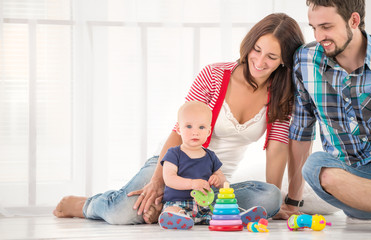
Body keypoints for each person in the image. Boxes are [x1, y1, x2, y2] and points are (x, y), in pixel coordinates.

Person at [53, 13, 305, 224]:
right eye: (257, 50)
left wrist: (276, 205)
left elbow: (277, 148)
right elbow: (178, 130)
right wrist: (158, 180)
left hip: (214, 184)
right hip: (174, 163)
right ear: (249, 43)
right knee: (123, 213)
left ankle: (177, 207)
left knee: (269, 196)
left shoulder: (283, 95)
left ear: (285, 60)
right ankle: (83, 204)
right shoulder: (215, 76)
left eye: (271, 57)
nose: (259, 61)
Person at [287, 0, 371, 221]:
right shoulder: (305, 60)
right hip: (351, 178)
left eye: (326, 27)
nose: (318, 37)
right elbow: (302, 130)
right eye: (313, 27)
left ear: (354, 21)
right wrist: (292, 202)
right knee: (315, 166)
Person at [158, 101, 225, 229]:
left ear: (209, 131)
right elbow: (169, 178)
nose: (195, 132)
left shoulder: (211, 155)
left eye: (201, 127)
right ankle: (178, 218)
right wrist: (192, 183)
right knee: (172, 210)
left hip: (205, 204)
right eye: (189, 126)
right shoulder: (174, 153)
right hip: (179, 203)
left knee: (219, 211)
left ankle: (233, 218)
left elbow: (222, 178)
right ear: (178, 129)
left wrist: (218, 179)